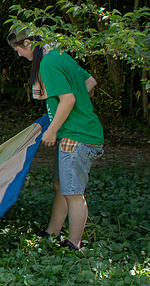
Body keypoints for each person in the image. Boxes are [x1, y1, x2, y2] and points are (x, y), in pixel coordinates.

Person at [8, 28, 104, 250]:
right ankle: (52, 232)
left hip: (77, 136)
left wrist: (52, 130)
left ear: (29, 43)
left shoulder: (48, 63)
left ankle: (74, 245)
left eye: (19, 49)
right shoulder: (60, 55)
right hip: (76, 133)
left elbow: (68, 100)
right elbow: (90, 81)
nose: (19, 55)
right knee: (61, 186)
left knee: (73, 193)